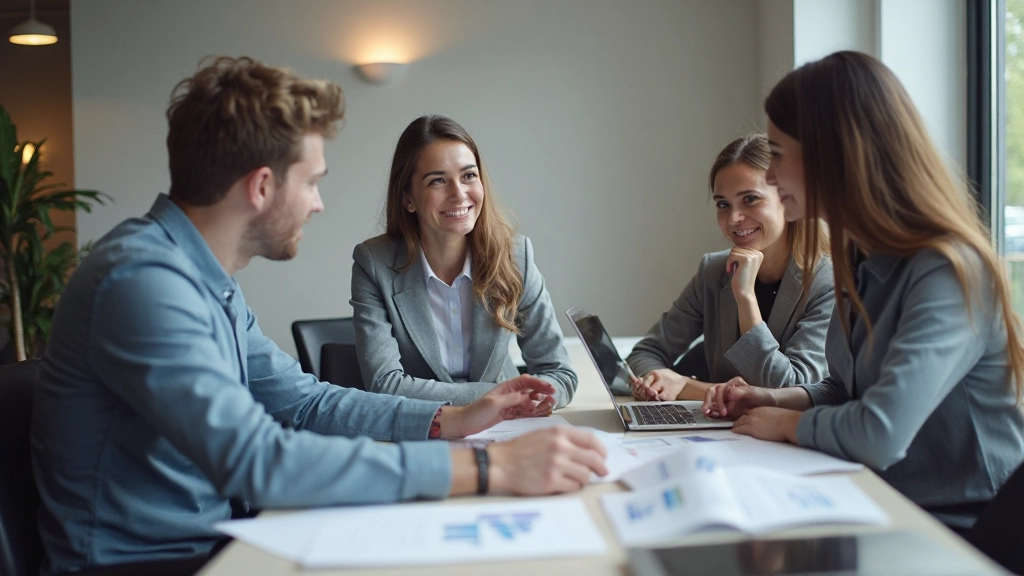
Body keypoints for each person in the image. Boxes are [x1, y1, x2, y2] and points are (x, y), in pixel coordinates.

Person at [31, 57, 608, 574]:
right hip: (150, 560)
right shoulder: (142, 284)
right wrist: (492, 471)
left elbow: (307, 401)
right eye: (311, 182)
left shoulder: (206, 282)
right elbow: (257, 460)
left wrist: (448, 422)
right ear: (261, 186)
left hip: (219, 537)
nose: (317, 202)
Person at [702, 50, 1024, 532]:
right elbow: (844, 389)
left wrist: (787, 425)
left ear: (834, 154)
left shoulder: (949, 271)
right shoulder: (861, 259)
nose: (769, 176)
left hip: (960, 529)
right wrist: (772, 399)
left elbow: (879, 432)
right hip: (878, 498)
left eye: (780, 155)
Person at [351, 115, 577, 407]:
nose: (459, 194)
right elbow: (384, 384)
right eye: (437, 181)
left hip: (505, 427)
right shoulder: (374, 264)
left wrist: (520, 401)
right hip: (424, 430)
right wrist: (501, 398)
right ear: (408, 198)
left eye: (469, 175)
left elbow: (559, 373)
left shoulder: (515, 255)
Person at [627, 134, 833, 402]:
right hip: (723, 434)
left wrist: (745, 297)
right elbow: (644, 355)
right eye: (723, 204)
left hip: (787, 440)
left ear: (788, 198)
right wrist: (664, 383)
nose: (734, 218)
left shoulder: (828, 282)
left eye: (750, 199)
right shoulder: (713, 270)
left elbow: (790, 392)